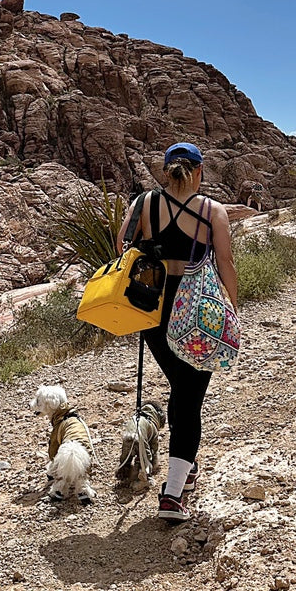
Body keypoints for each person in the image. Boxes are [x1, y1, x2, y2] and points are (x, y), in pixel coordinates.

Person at [116, 142, 239, 523]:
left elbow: (122, 246)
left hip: (153, 308)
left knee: (179, 388)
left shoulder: (144, 204)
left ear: (166, 172)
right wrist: (232, 310)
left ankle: (184, 471)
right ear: (199, 171)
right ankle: (172, 494)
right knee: (189, 397)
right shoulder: (212, 211)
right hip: (197, 313)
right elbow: (226, 263)